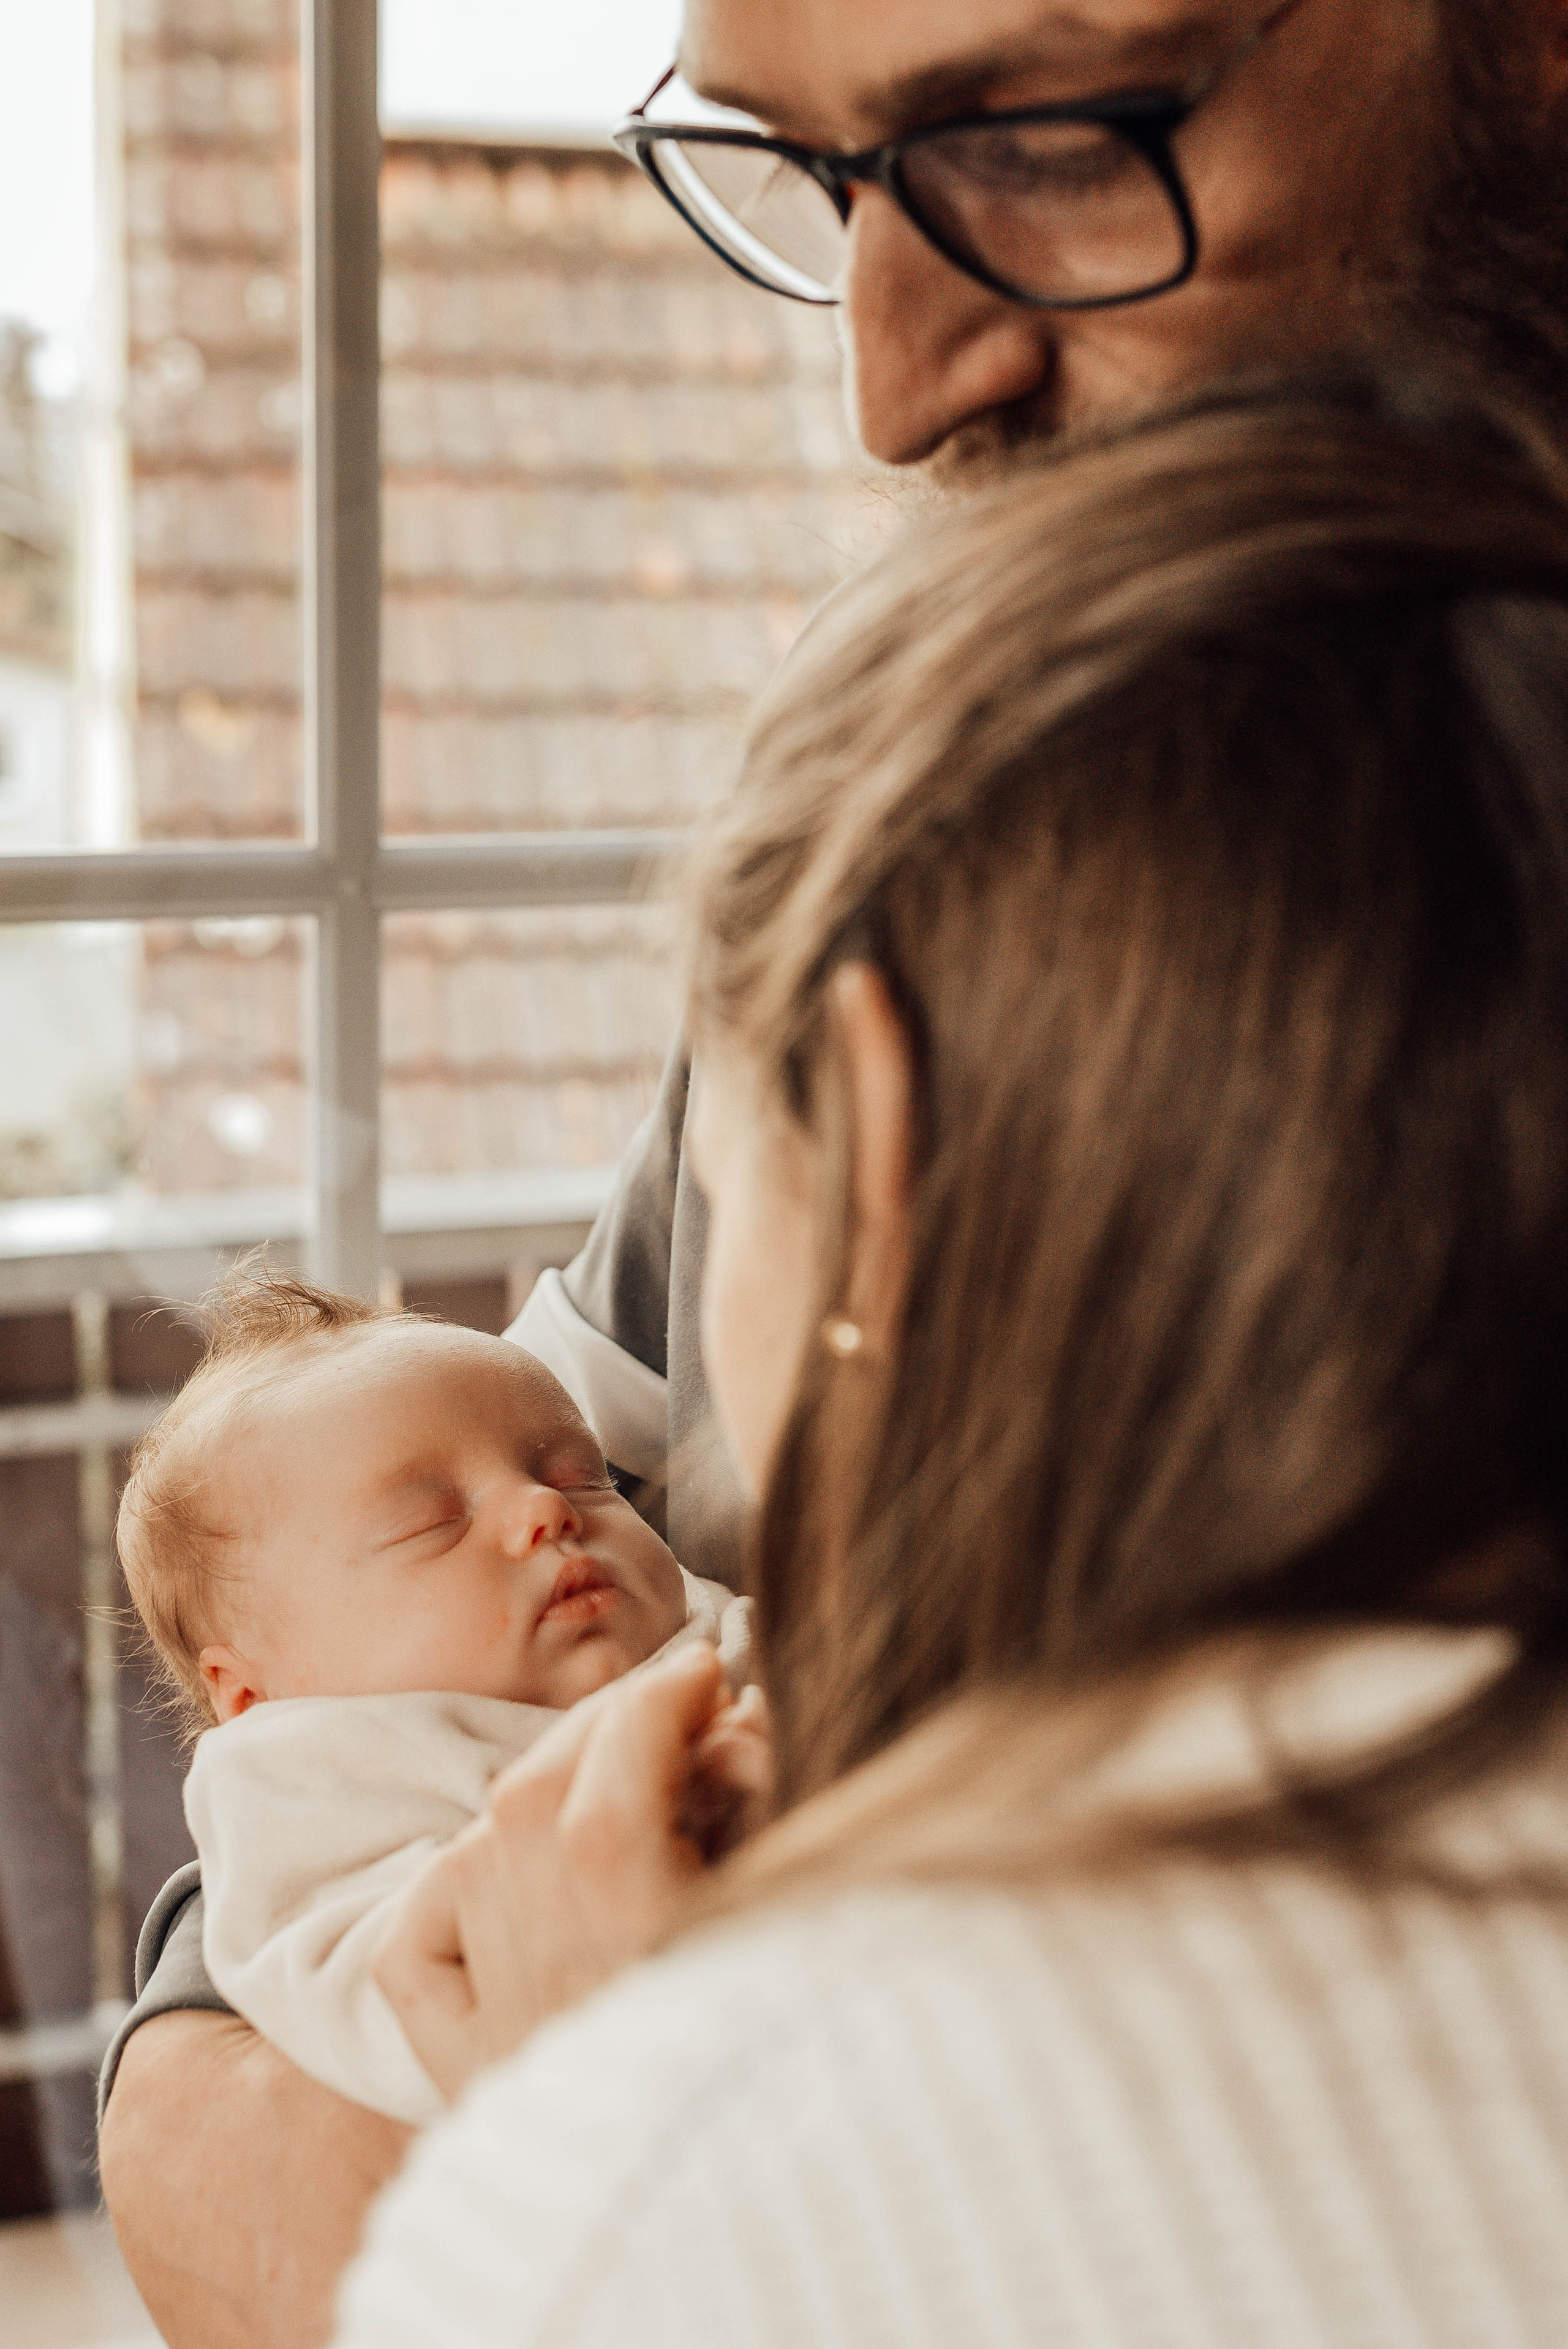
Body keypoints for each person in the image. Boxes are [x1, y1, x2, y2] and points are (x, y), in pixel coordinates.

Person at [98, 1, 1568, 2340]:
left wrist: (656, 2167)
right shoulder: (920, 833)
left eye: (1053, 135)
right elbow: (207, 2038)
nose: (894, 383)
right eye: (813, 173)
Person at [114, 1271, 756, 2124]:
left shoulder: (715, 1627)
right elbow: (353, 1998)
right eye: (431, 1522)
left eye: (581, 1475)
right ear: (255, 1694)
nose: (544, 1509)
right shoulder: (319, 1792)